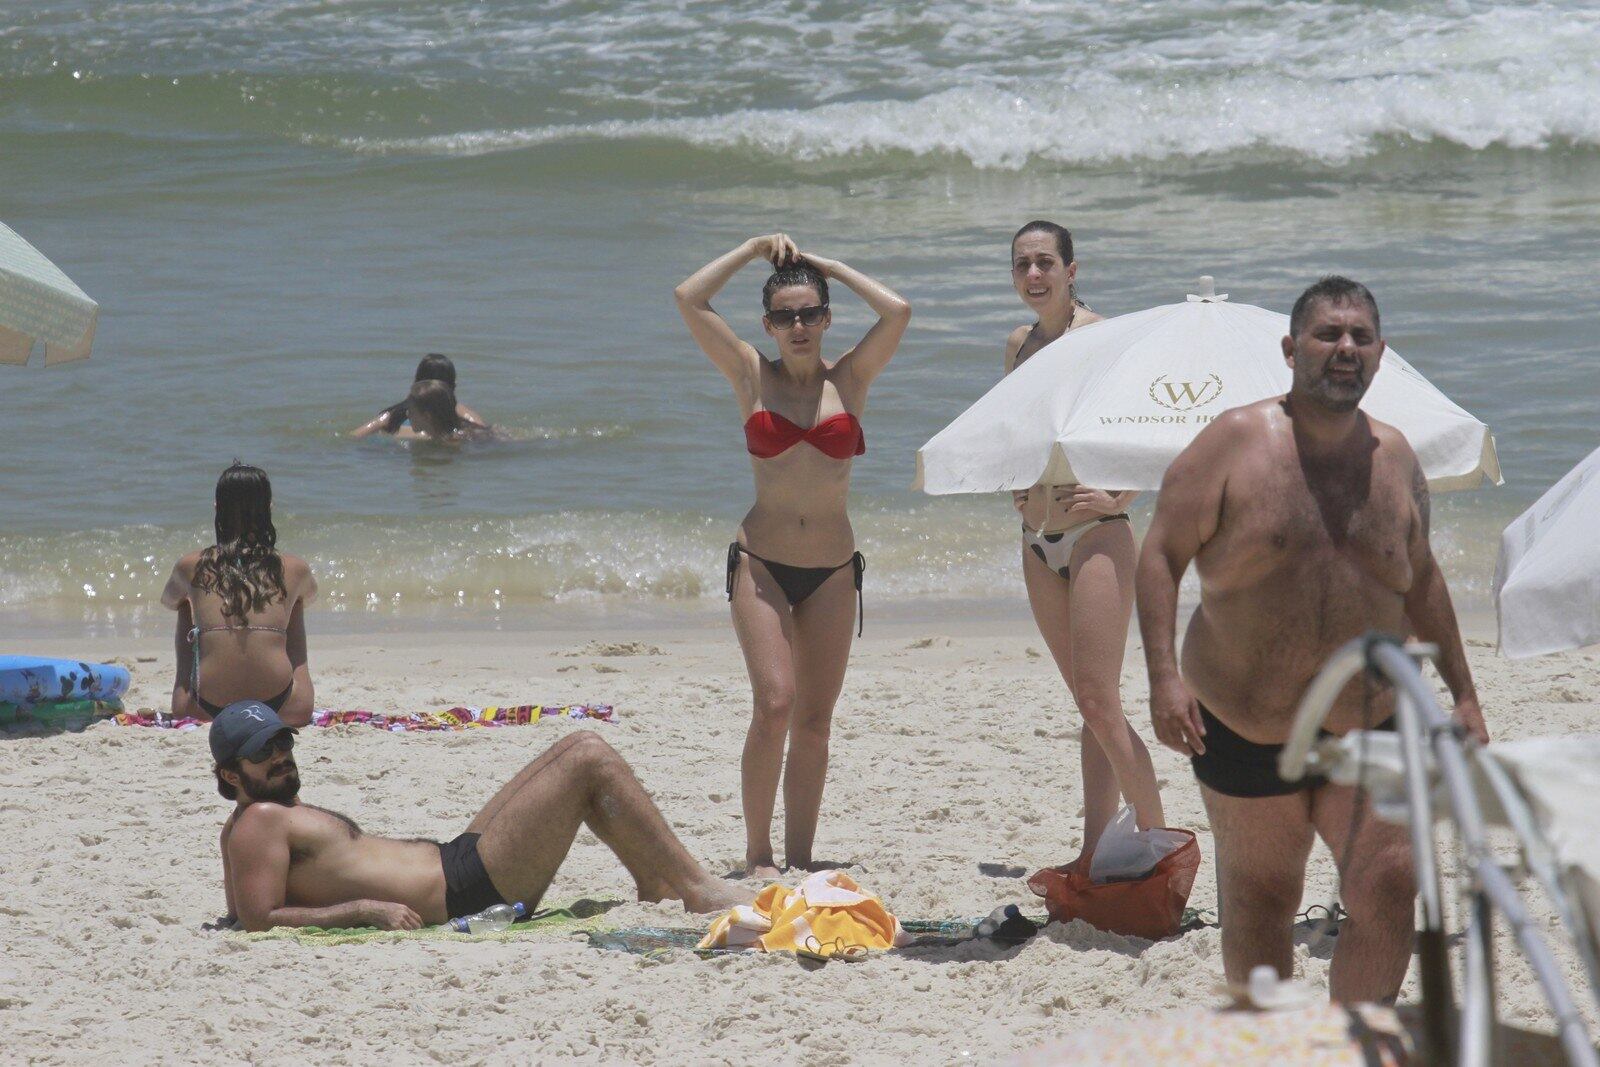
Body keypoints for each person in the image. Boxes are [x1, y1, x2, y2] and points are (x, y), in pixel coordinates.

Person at [1135, 276, 1486, 1003]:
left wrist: (1466, 693)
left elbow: (1420, 580)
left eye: (1360, 336)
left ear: (1381, 353)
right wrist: (1164, 678)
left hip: (1370, 720)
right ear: (1292, 348)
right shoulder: (1233, 443)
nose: (1345, 349)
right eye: (1329, 334)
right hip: (1243, 717)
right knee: (1264, 898)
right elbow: (1160, 555)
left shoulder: (1394, 459)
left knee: (1391, 885)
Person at [675, 234, 910, 878]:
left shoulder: (851, 378)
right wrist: (753, 250)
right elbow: (689, 298)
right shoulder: (751, 372)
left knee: (814, 720)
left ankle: (801, 859)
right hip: (763, 565)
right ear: (769, 325)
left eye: (810, 313)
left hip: (834, 570)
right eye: (785, 316)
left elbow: (898, 312)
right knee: (775, 703)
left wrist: (827, 265)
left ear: (827, 319)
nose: (799, 326)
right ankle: (757, 856)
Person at [210, 701, 748, 930]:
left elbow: (243, 901)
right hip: (465, 891)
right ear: (231, 774)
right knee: (588, 758)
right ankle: (696, 889)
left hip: (457, 859)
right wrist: (363, 909)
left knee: (574, 750)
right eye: (264, 752)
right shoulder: (257, 821)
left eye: (283, 741)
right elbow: (257, 919)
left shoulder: (266, 817)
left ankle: (657, 881)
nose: (281, 756)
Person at [1003, 220, 1164, 869]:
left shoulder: (1101, 336)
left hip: (1096, 534)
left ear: (1072, 270)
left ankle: (1160, 845)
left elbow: (1155, 418)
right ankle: (1095, 850)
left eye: (1045, 262)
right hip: (1037, 540)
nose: (1034, 274)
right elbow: (1012, 429)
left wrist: (1123, 498)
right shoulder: (1018, 343)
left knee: (1101, 700)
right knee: (1089, 705)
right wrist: (1013, 483)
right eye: (1022, 265)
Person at [161, 463, 317, 726]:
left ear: (217, 508)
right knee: (295, 601)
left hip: (203, 709)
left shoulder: (191, 566)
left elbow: (169, 600)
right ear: (268, 508)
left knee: (186, 605)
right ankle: (294, 685)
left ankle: (187, 688)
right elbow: (311, 596)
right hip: (287, 709)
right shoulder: (294, 568)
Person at [350, 353, 488, 437]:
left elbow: (356, 435)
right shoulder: (460, 412)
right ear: (452, 385)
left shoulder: (396, 413)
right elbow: (484, 432)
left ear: (417, 381)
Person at [385, 379, 495, 443]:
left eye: (411, 411)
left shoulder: (460, 438)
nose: (407, 414)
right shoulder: (433, 433)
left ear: (427, 416)